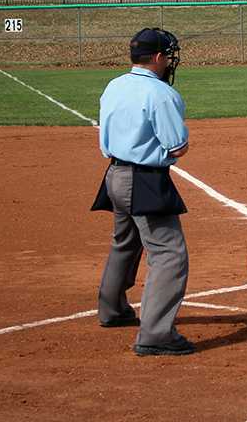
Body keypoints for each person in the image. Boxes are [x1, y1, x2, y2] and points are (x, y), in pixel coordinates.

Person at [91, 27, 194, 357]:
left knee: (125, 240)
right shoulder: (161, 93)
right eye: (169, 54)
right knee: (169, 254)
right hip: (144, 178)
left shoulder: (115, 84)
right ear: (160, 57)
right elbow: (176, 146)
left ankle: (112, 309)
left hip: (114, 174)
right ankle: (155, 334)